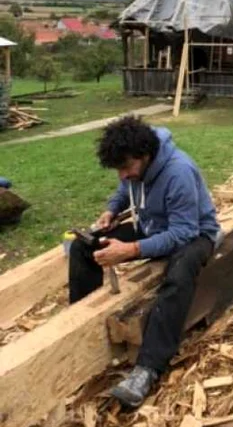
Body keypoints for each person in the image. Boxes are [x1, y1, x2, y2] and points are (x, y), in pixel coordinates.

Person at [68, 116, 220, 407]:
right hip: (153, 225)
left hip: (195, 235)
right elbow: (126, 190)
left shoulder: (179, 172)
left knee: (179, 274)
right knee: (83, 247)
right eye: (118, 169)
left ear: (145, 155)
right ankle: (79, 323)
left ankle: (148, 368)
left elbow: (183, 232)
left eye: (126, 167)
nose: (123, 175)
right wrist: (112, 211)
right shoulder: (135, 170)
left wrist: (130, 250)